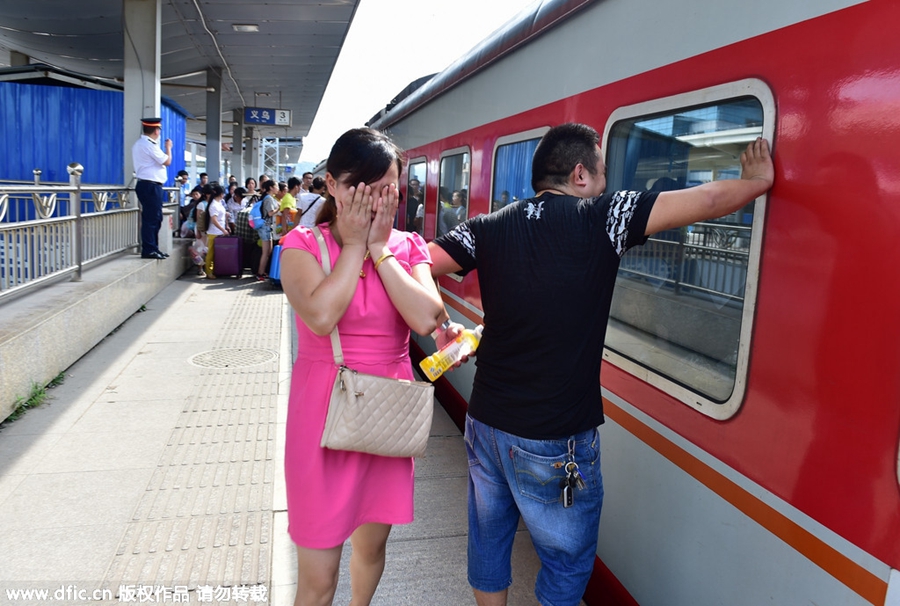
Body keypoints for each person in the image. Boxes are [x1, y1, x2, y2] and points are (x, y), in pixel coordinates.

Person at [427, 123, 774, 606]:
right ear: (580, 174)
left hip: (485, 420)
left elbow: (418, 262)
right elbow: (710, 199)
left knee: (489, 539)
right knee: (566, 562)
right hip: (553, 433)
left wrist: (438, 318)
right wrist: (756, 181)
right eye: (603, 172)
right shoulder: (603, 216)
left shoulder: (489, 225)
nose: (609, 183)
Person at [278, 127, 443, 606]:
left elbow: (425, 317)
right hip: (322, 416)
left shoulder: (407, 247)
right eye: (359, 185)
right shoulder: (302, 245)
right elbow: (321, 314)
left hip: (386, 414)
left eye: (385, 187)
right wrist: (352, 246)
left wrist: (377, 248)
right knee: (318, 575)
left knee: (372, 547)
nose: (372, 198)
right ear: (330, 183)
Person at [131, 117, 173, 259]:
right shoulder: (148, 145)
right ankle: (149, 249)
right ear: (156, 130)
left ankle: (153, 247)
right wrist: (168, 148)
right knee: (151, 219)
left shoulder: (142, 144)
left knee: (155, 218)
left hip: (149, 185)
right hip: (150, 185)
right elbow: (167, 161)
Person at [202, 183, 229, 279]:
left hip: (219, 232)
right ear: (221, 194)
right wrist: (223, 229)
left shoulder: (219, 203)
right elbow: (214, 220)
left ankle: (215, 270)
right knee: (211, 253)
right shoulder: (213, 205)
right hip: (214, 232)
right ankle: (209, 271)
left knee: (216, 253)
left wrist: (226, 225)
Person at [255, 179, 279, 281]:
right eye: (276, 186)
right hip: (265, 227)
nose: (277, 188)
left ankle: (262, 272)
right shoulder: (268, 198)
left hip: (267, 227)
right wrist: (279, 208)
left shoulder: (268, 197)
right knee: (266, 252)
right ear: (271, 188)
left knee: (268, 251)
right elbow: (270, 213)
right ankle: (259, 273)